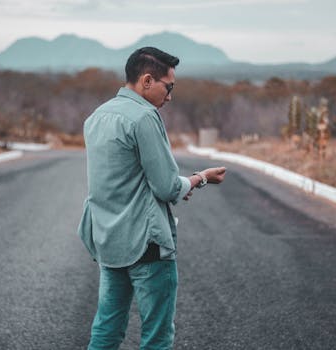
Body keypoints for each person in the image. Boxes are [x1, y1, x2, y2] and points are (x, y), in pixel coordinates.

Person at [78, 46, 226, 350]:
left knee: (106, 328)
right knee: (156, 336)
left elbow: (123, 178)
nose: (169, 96)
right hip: (146, 243)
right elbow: (168, 187)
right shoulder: (145, 117)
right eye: (168, 87)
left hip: (108, 240)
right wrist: (201, 178)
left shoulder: (96, 117)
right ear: (147, 80)